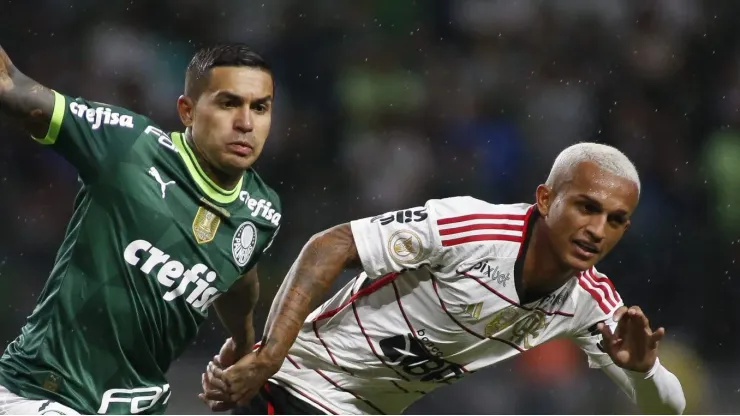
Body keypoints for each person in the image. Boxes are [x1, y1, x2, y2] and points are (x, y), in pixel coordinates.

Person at [201, 142, 686, 415]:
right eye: (586, 207)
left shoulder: (591, 303)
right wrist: (269, 354)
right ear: (544, 200)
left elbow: (669, 410)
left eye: (616, 220)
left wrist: (643, 371)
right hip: (301, 388)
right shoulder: (471, 229)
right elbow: (329, 245)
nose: (597, 230)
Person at [0, 43, 282, 414]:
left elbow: (238, 273)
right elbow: (10, 84)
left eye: (259, 107)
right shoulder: (128, 144)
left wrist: (244, 346)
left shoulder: (263, 211)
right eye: (228, 103)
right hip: (43, 394)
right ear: (188, 110)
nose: (246, 123)